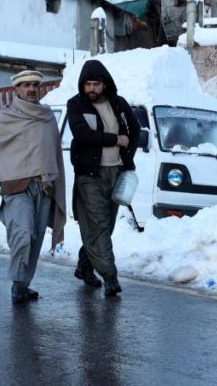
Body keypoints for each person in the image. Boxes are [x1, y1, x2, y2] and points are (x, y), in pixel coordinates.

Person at [0, 70, 66, 304]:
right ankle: (17, 283)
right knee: (22, 232)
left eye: (34, 85)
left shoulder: (47, 116)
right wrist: (8, 177)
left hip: (43, 186)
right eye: (25, 85)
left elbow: (54, 152)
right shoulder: (6, 116)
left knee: (37, 237)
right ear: (16, 89)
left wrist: (53, 180)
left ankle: (23, 284)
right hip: (17, 187)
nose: (31, 89)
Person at [67, 59, 139, 297]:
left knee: (105, 227)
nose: (91, 89)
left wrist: (128, 158)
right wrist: (115, 139)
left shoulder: (118, 104)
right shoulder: (76, 105)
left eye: (96, 84)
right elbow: (83, 134)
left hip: (116, 173)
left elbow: (135, 130)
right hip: (90, 175)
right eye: (87, 84)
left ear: (105, 85)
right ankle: (110, 277)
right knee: (98, 226)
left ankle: (84, 266)